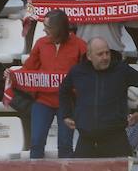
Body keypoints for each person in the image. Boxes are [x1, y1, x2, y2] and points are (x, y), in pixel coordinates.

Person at [59, 37, 138, 158]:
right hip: (86, 140)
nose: (105, 57)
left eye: (107, 53)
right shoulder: (77, 71)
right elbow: (63, 90)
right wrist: (66, 114)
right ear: (89, 56)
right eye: (100, 54)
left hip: (116, 139)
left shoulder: (121, 70)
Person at [16, 8, 86, 158]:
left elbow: (86, 73)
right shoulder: (41, 43)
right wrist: (13, 76)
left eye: (48, 27)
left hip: (68, 102)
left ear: (59, 28)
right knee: (36, 142)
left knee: (65, 144)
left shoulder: (80, 45)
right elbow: (28, 68)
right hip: (43, 101)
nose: (44, 30)